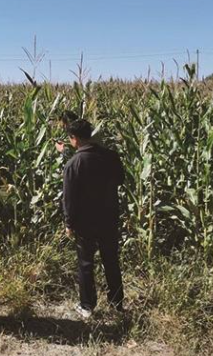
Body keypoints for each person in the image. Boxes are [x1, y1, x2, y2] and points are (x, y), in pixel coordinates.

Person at [62, 119, 125, 318]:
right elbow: (121, 179)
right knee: (111, 260)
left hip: (85, 221)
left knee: (86, 263)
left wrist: (69, 223)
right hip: (109, 216)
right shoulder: (111, 156)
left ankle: (87, 305)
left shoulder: (74, 164)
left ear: (74, 138)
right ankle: (117, 304)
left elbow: (69, 198)